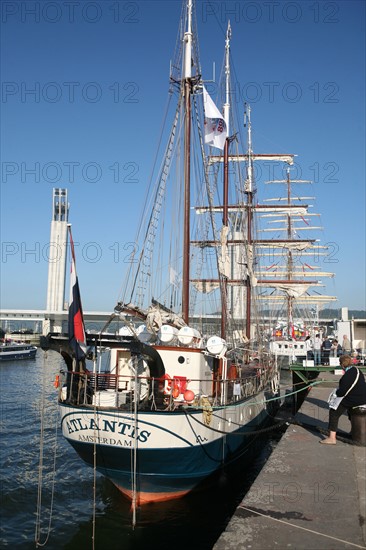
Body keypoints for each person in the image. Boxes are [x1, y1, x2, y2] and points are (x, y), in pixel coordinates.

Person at [320, 355, 366, 444]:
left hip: (355, 399)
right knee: (349, 409)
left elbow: (342, 393)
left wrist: (336, 393)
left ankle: (332, 438)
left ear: (342, 364)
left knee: (334, 412)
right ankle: (353, 431)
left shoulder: (346, 376)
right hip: (363, 397)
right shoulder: (357, 370)